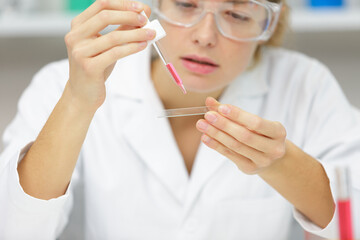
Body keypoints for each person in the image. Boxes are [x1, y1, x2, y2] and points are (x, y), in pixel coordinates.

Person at [0, 0, 359, 239]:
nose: (205, 36)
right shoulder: (66, 81)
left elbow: (353, 220)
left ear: (268, 24)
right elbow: (15, 229)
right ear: (153, 7)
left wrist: (281, 164)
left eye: (236, 14)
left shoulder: (305, 86)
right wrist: (77, 102)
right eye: (186, 5)